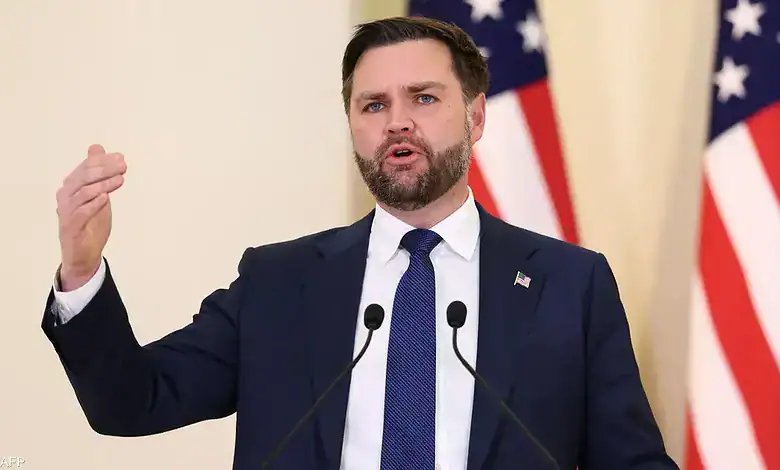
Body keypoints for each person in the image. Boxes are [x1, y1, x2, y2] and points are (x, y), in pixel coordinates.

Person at [42, 16, 679, 470]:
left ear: (477, 116)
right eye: (373, 105)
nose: (397, 120)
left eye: (424, 99)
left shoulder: (569, 285)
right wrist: (82, 268)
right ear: (351, 123)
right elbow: (131, 402)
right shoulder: (278, 283)